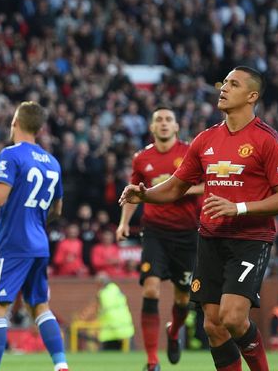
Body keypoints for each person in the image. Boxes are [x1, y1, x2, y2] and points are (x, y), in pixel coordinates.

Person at [120, 66, 278, 371]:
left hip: (249, 240)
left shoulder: (269, 141)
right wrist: (145, 195)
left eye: (233, 84)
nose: (224, 88)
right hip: (210, 238)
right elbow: (176, 186)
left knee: (232, 317)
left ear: (251, 96)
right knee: (213, 326)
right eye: (224, 82)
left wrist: (238, 207)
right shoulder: (206, 139)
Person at [0, 101, 69, 371]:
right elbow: (57, 209)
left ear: (15, 122)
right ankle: (61, 365)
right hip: (39, 243)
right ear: (40, 128)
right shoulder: (52, 162)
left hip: (13, 243)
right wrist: (36, 219)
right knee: (39, 306)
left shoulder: (12, 154)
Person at [116, 106, 202, 371]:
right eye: (158, 120)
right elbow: (134, 194)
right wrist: (124, 223)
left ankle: (174, 332)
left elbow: (207, 184)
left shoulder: (190, 153)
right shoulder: (141, 159)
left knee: (182, 300)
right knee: (151, 288)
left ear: (176, 126)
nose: (164, 124)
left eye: (168, 119)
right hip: (154, 231)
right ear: (152, 128)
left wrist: (175, 190)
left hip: (187, 234)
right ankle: (152, 361)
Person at [95, 274, 135, 351]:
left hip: (111, 327)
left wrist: (98, 316)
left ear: (100, 283)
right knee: (127, 351)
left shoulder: (103, 293)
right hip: (125, 325)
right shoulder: (116, 289)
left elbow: (102, 309)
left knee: (107, 352)